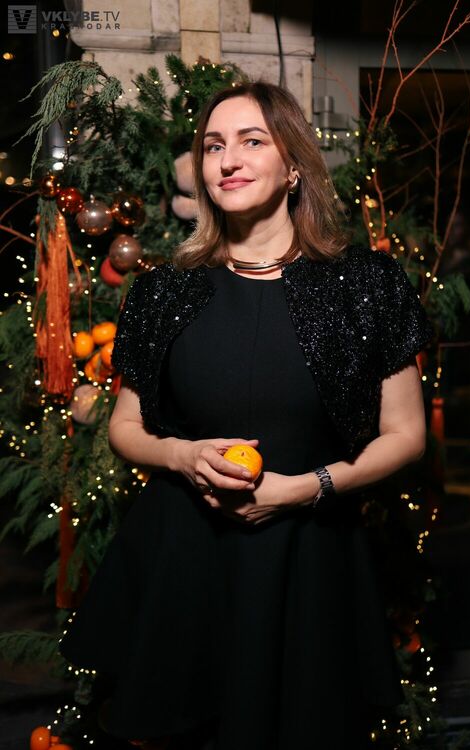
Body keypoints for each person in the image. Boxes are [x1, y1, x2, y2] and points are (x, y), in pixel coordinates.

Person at [58, 80, 434, 750]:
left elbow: (407, 436)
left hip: (309, 562)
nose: (228, 160)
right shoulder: (163, 291)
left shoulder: (365, 285)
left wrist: (308, 487)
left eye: (251, 141)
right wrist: (183, 455)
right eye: (213, 146)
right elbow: (125, 427)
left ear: (293, 166)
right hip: (184, 561)